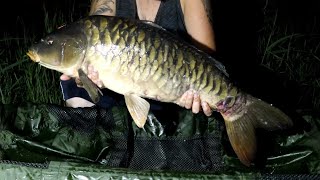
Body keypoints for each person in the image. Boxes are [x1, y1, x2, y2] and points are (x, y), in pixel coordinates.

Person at [60, 0, 216, 117]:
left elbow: (209, 65)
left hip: (172, 94)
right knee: (74, 85)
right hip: (117, 91)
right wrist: (86, 77)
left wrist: (197, 94)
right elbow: (93, 34)